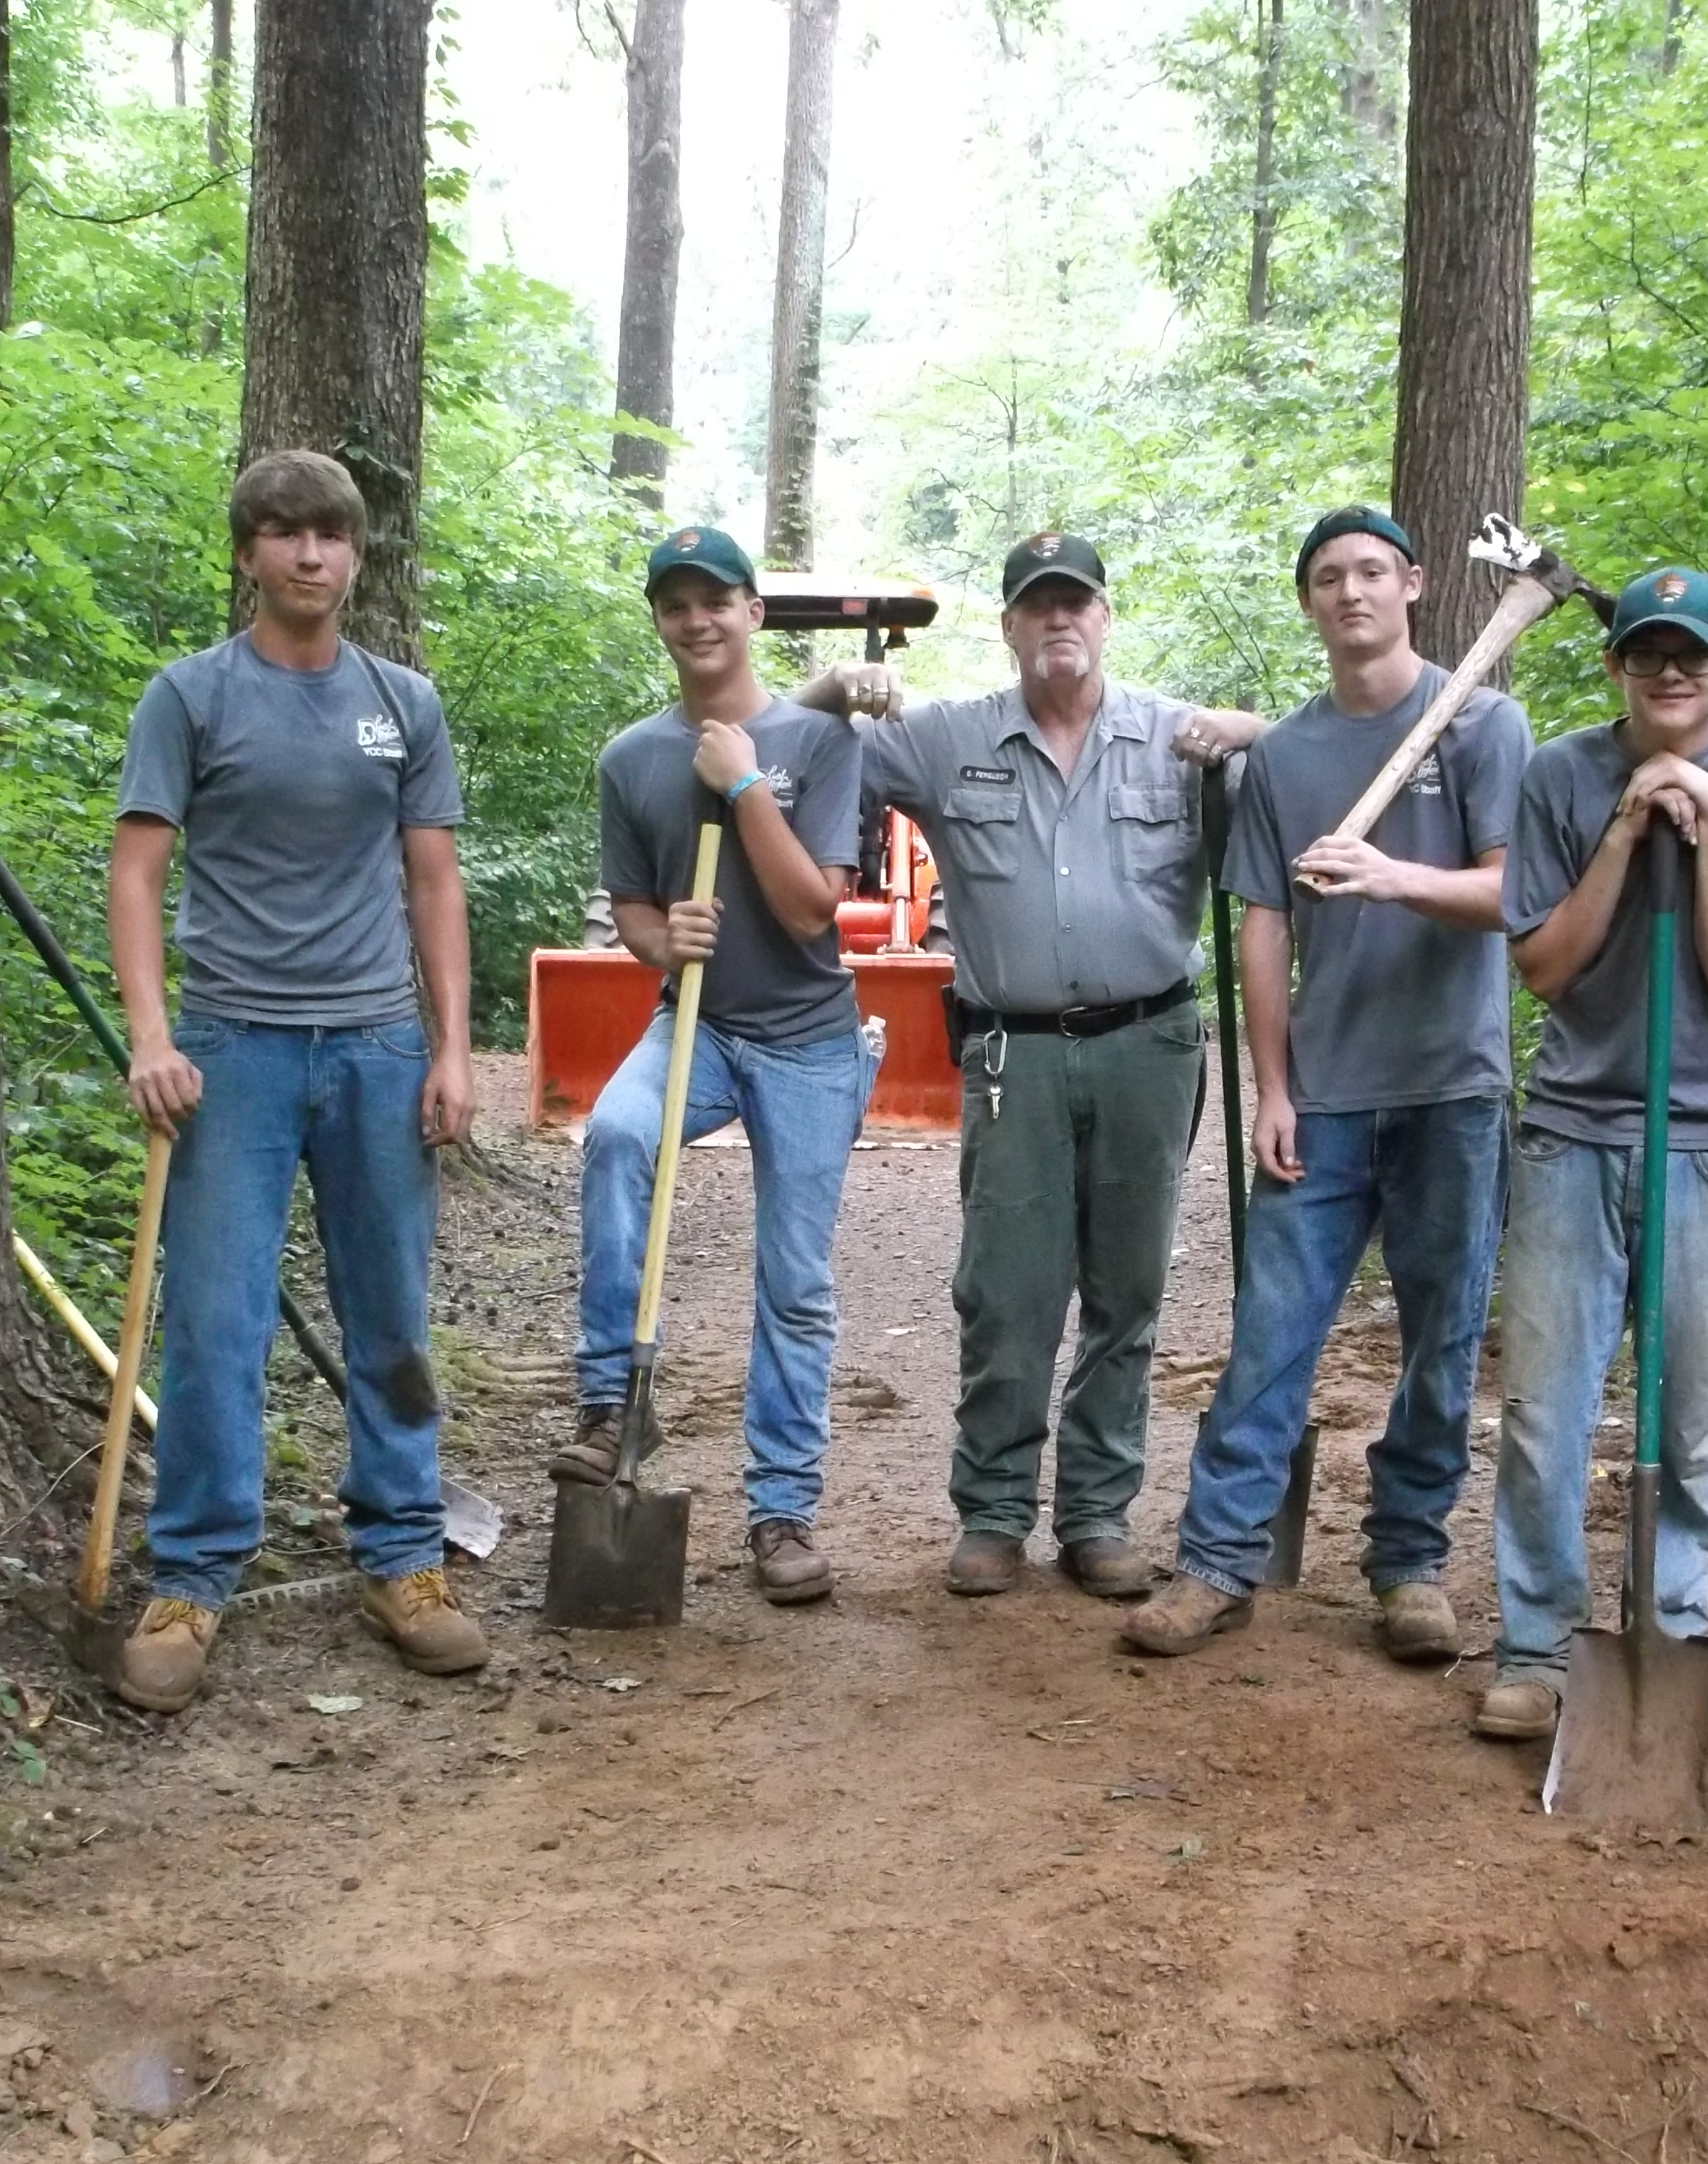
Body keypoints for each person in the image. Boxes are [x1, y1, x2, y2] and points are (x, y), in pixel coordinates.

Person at [104, 448, 485, 1712]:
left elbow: (433, 880)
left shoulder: (402, 704)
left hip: (376, 1050)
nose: (309, 556)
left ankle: (403, 1558)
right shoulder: (192, 697)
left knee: (391, 1315)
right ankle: (194, 1576)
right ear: (249, 553)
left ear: (357, 556)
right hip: (233, 1050)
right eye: (284, 534)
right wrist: (153, 1036)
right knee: (217, 1320)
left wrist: (448, 1049)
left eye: (330, 535)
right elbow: (139, 876)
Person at [1118, 506, 1527, 1663]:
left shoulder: (1486, 724)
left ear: (1415, 583)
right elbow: (1261, 927)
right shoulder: (1286, 757)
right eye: (1328, 579)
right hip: (1330, 1094)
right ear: (1309, 603)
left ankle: (1409, 1563)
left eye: (1370, 573)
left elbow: (1513, 895)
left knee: (1442, 1339)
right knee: (1272, 1332)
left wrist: (1393, 874)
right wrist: (1274, 1087)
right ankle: (1217, 1562)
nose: (1350, 593)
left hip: (1453, 1087)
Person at [836, 532, 1266, 1598]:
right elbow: (796, 756)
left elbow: (1326, 766)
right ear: (1010, 627)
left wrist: (1260, 732)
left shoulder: (1182, 738)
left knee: (1128, 1290)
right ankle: (991, 1511)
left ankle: (1096, 1514)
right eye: (1037, 606)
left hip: (1149, 1045)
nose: (1058, 621)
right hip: (1010, 1053)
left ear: (1106, 618)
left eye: (1076, 603)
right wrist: (827, 687)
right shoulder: (947, 742)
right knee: (1008, 1290)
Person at [1481, 565, 1708, 1744]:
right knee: (1544, 1407)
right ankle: (1535, 1643)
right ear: (1617, 664)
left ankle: (1670, 1631)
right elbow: (1544, 968)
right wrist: (1628, 827)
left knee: (1690, 1416)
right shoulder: (1561, 775)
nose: (1671, 672)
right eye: (1647, 652)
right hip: (1577, 1123)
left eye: (1696, 654)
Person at [550, 526, 875, 1605]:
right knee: (616, 1135)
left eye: (716, 600)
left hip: (811, 1045)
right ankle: (614, 1405)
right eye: (676, 603)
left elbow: (810, 909)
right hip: (695, 1026)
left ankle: (781, 1511)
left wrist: (743, 787)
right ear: (659, 619)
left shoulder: (818, 743)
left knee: (794, 1282)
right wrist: (659, 941)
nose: (697, 620)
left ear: (753, 613)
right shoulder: (629, 758)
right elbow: (633, 911)